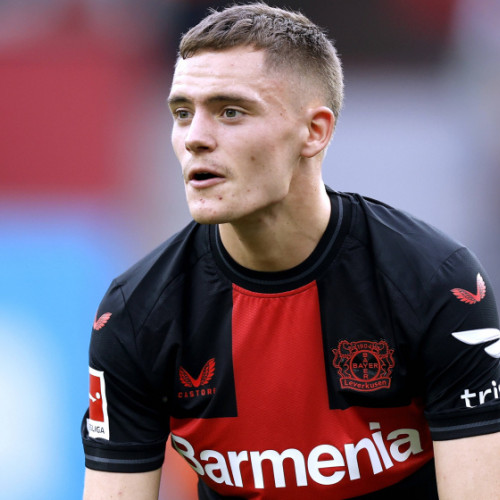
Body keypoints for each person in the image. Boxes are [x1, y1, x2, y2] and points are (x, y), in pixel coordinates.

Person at [81, 3, 500, 499]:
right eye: (182, 113)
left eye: (230, 111)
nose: (195, 139)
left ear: (314, 131)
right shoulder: (137, 314)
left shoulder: (437, 285)